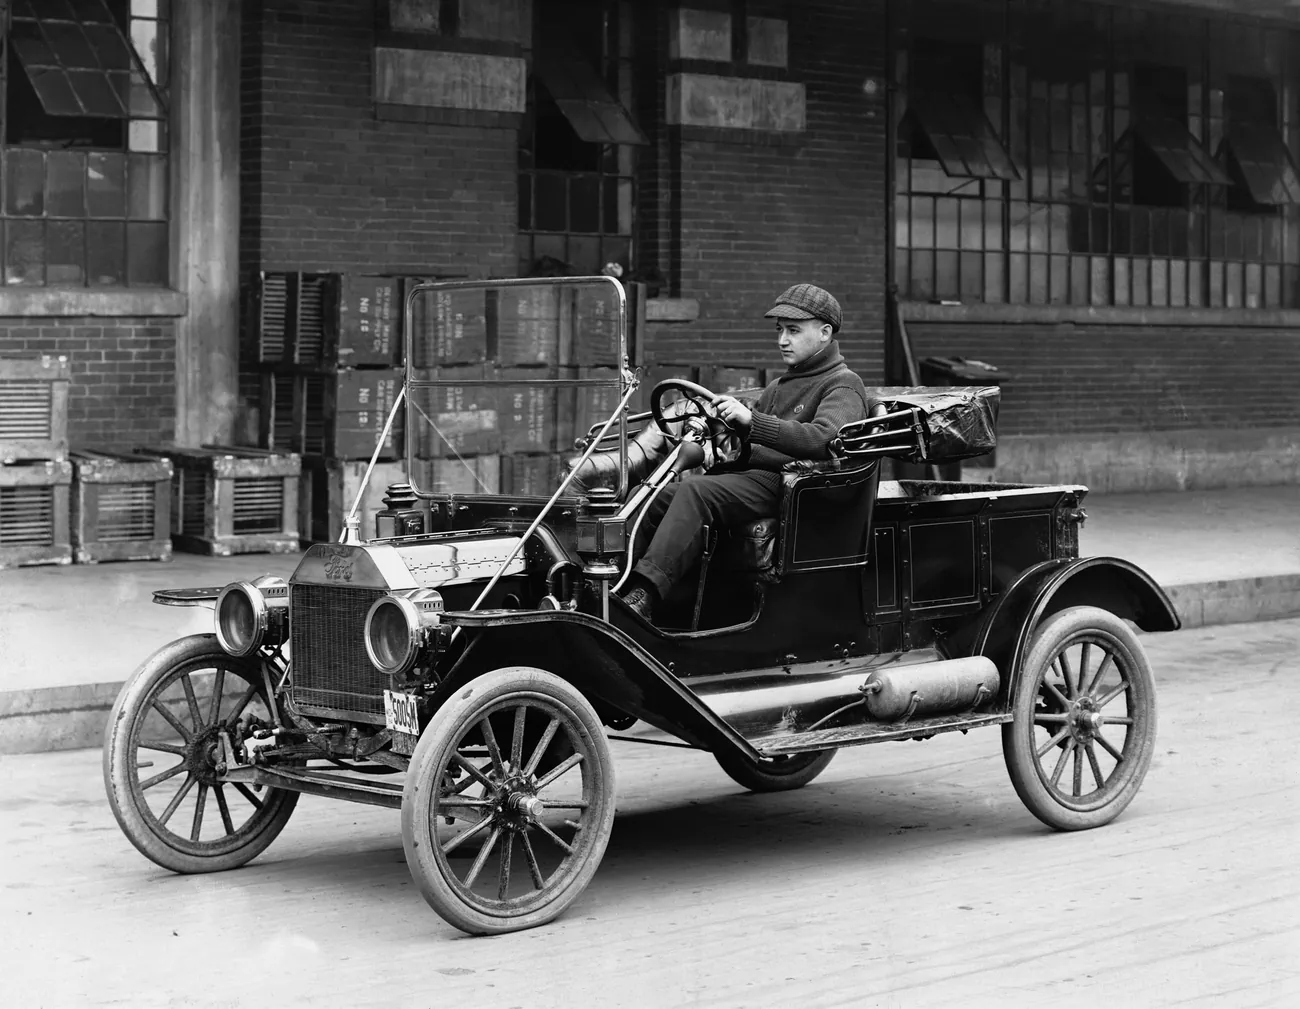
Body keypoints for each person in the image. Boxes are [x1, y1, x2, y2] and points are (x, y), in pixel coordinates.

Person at [617, 283, 873, 623]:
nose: (782, 340)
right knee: (652, 496)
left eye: (793, 331)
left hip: (795, 491)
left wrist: (753, 422)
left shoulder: (843, 384)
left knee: (696, 492)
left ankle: (644, 595)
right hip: (757, 481)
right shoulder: (779, 386)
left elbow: (823, 439)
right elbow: (752, 446)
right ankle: (620, 587)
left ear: (825, 333)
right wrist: (727, 438)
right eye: (780, 330)